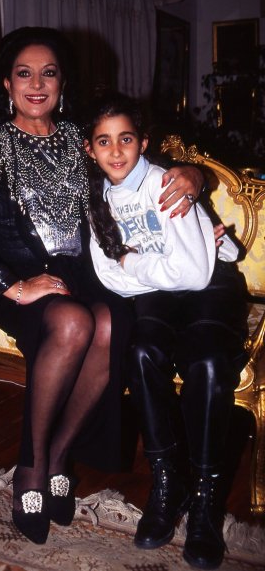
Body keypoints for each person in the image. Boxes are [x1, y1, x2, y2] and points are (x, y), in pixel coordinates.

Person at [0, 26, 203, 544]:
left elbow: (131, 177)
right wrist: (12, 287)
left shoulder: (77, 139)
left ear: (63, 83)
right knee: (70, 319)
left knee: (111, 320)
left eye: (49, 73)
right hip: (23, 284)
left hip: (84, 275)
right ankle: (33, 466)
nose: (37, 84)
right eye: (24, 73)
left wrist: (191, 176)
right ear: (6, 82)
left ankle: (62, 451)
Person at [85, 91, 248, 570]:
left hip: (211, 287)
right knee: (141, 353)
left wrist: (135, 260)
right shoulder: (96, 199)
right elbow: (108, 276)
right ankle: (166, 482)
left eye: (126, 139)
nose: (116, 151)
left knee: (209, 363)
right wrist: (159, 268)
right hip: (159, 293)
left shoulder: (166, 184)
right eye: (104, 141)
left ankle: (204, 501)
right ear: (90, 149)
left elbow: (196, 274)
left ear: (144, 142)